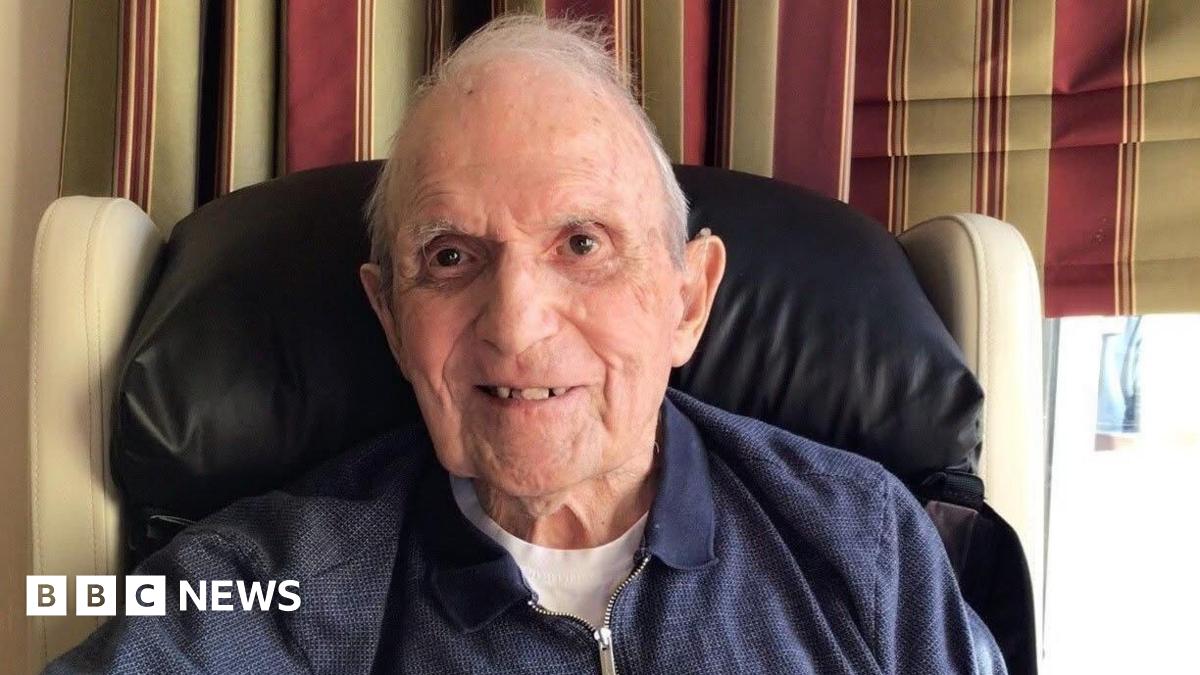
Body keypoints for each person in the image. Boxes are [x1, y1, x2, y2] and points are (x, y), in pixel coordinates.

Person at [48, 15, 1006, 674]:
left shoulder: (865, 543)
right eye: (453, 255)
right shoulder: (268, 588)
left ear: (688, 298)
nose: (514, 322)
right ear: (388, 316)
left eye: (582, 245)